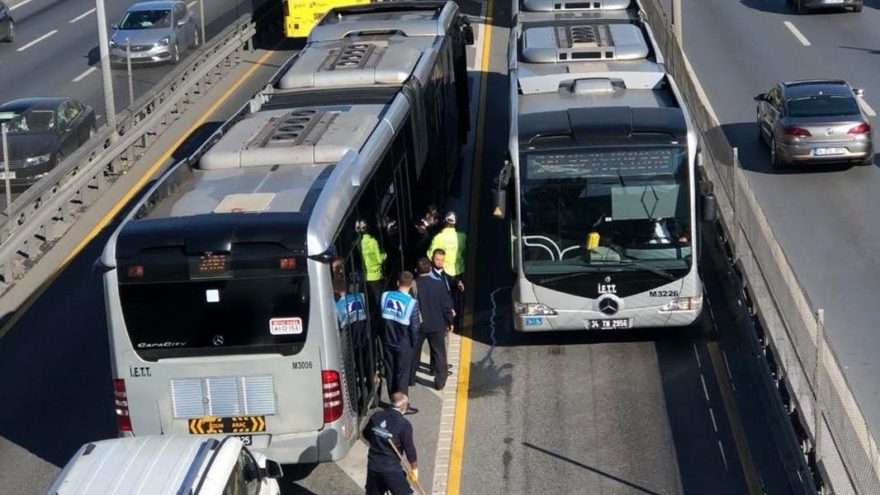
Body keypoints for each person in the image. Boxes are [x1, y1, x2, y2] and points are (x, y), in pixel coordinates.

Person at [409, 258, 454, 390]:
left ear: (416, 270)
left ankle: (410, 378)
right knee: (439, 353)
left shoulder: (413, 285)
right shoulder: (438, 284)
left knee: (414, 352)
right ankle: (440, 381)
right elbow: (446, 305)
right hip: (437, 324)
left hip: (419, 325)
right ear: (430, 269)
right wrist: (449, 321)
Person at [380, 271, 420, 414]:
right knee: (402, 375)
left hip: (388, 340)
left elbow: (382, 318)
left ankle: (393, 401)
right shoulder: (412, 303)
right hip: (404, 343)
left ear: (398, 282)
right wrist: (414, 344)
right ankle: (403, 406)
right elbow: (415, 327)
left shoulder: (385, 296)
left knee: (390, 372)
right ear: (411, 285)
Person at [363, 393, 419, 495]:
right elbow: (409, 449)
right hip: (391, 469)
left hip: (373, 466)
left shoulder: (376, 416)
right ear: (403, 407)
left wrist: (378, 442)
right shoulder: (404, 424)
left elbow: (366, 434)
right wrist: (414, 468)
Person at [427, 212, 466, 328]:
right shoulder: (462, 236)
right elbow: (462, 251)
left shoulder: (438, 238)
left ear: (444, 222)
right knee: (459, 297)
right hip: (459, 270)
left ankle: (450, 321)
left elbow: (430, 254)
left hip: (446, 272)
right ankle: (459, 322)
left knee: (447, 298)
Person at [357, 219, 387, 308]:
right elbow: (379, 259)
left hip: (365, 275)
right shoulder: (373, 241)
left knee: (368, 298)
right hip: (376, 274)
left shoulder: (360, 242)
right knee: (379, 298)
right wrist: (385, 255)